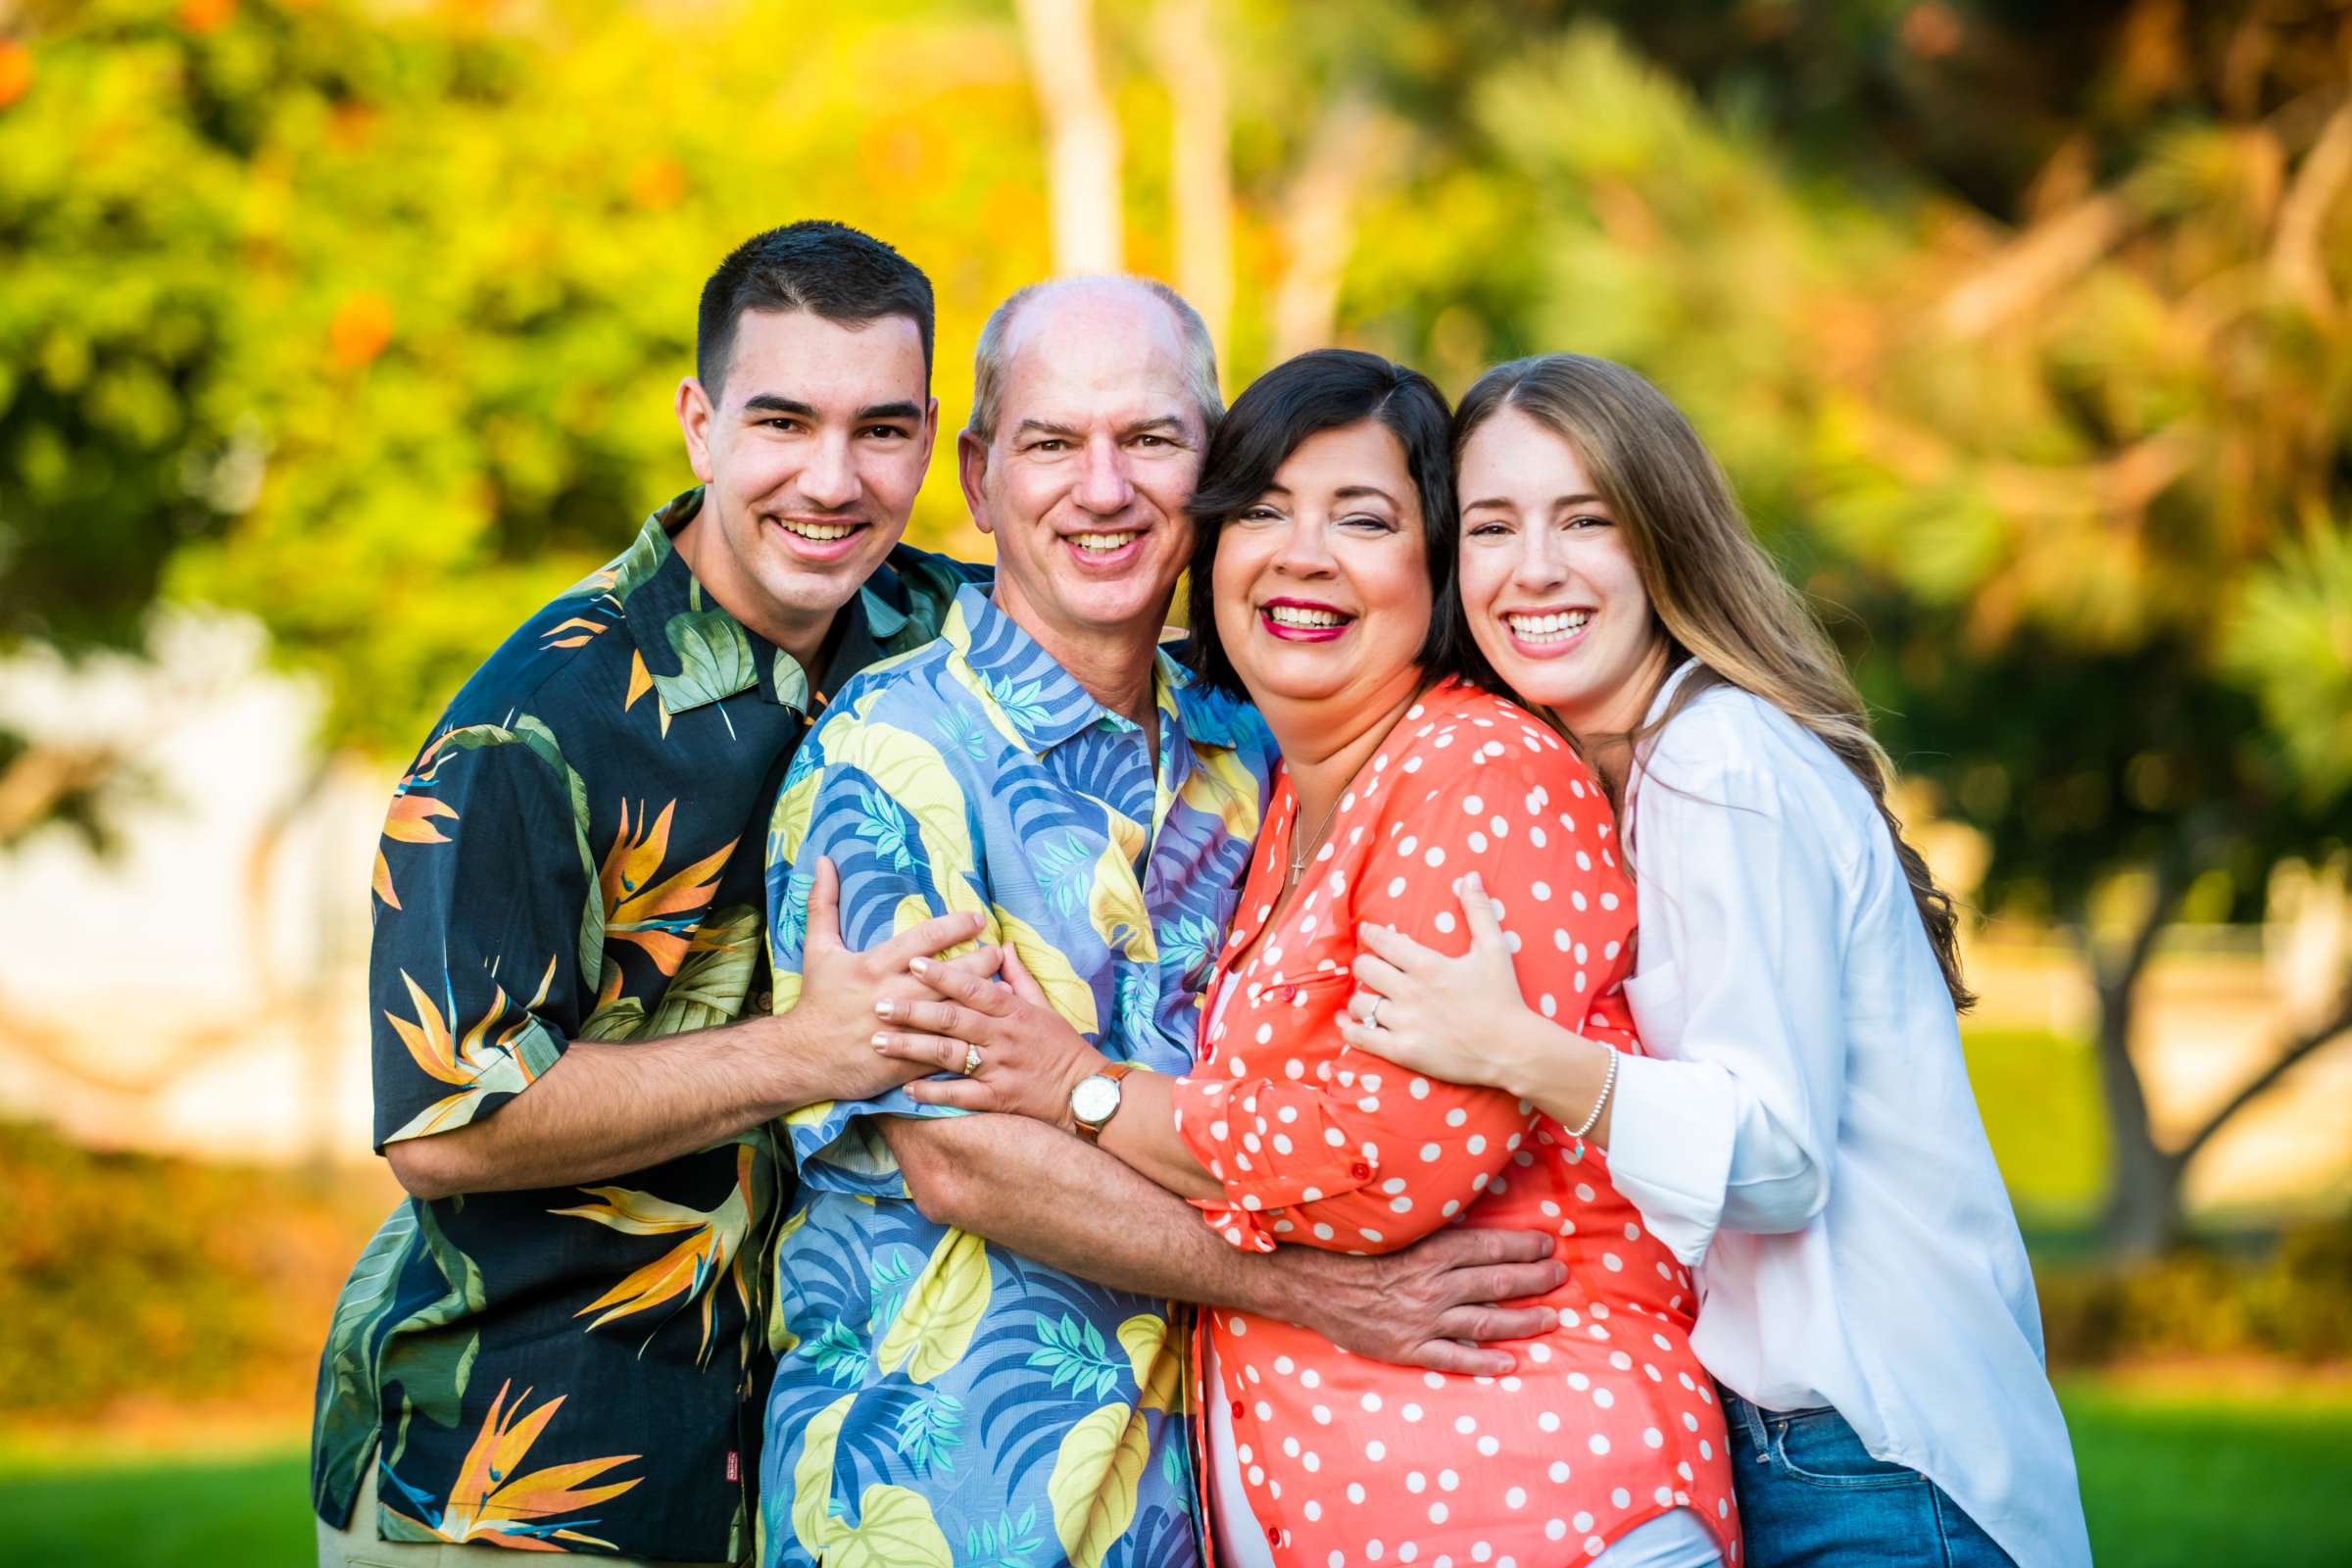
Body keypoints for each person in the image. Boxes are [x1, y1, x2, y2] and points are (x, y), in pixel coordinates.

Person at [872, 348, 1739, 1568]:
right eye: (1264, 512)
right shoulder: (1288, 795)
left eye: (1364, 517)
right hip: (1372, 1507)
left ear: (1436, 567)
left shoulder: (1477, 771)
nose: (1303, 553)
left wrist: (1083, 1088)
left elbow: (1391, 1157)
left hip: (1532, 1489)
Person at [760, 292, 1577, 1568]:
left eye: (1150, 440)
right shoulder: (897, 760)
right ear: (978, 477)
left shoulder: (1263, 749)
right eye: (1050, 444)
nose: (1104, 489)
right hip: (940, 1506)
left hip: (1196, 1512)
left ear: (1213, 469)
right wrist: (1305, 1291)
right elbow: (958, 1155)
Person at [310, 220, 1004, 1566]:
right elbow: (446, 1124)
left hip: (771, 1476)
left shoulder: (932, 631)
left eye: (882, 430)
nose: (833, 478)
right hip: (509, 1482)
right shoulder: (536, 724)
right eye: (784, 421)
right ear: (698, 424)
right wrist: (810, 1055)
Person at [1341, 353, 2091, 1567]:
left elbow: (1777, 1159)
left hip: (1879, 1464)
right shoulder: (1646, 773)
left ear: (1665, 541)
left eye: (1586, 520)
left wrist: (1515, 1050)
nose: (1534, 567)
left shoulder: (1716, 761)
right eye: (1493, 525)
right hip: (1819, 1449)